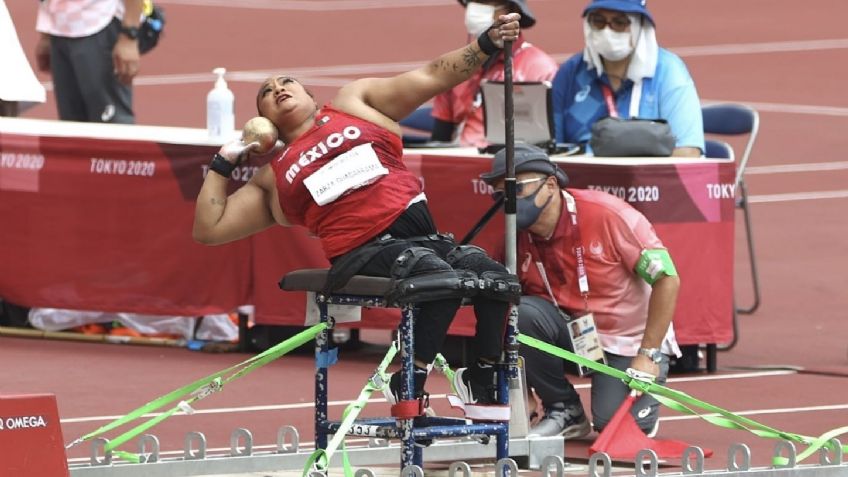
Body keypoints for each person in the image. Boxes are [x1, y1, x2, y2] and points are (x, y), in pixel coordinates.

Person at [193, 14, 524, 419]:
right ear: (264, 121)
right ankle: (408, 380)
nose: (278, 88)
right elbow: (209, 229)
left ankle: (483, 376)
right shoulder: (272, 178)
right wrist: (224, 162)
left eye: (287, 82)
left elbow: (433, 75)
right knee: (439, 280)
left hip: (424, 240)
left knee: (495, 278)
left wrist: (486, 44)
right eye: (266, 91)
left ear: (312, 97)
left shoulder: (355, 104)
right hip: (364, 252)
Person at [480, 143, 681, 438]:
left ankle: (648, 371)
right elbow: (501, 309)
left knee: (616, 430)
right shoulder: (514, 240)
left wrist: (648, 353)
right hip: (573, 336)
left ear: (551, 185)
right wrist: (520, 387)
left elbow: (667, 279)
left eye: (516, 189)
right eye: (500, 195)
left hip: (628, 341)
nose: (508, 201)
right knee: (520, 313)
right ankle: (564, 408)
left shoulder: (608, 215)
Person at [551, 0, 703, 156]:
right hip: (577, 171)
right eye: (598, 21)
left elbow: (688, 152)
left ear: (639, 25)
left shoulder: (668, 71)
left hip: (650, 171)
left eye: (619, 22)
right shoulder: (570, 73)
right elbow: (550, 147)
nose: (607, 31)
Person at [429, 0, 557, 148]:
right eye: (473, 1)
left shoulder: (540, 69)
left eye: (486, 1)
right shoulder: (456, 66)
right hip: (458, 156)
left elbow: (548, 143)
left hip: (511, 159)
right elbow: (440, 138)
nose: (476, 8)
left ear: (512, 10)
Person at [35, 0, 143, 123]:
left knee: (111, 123)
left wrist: (129, 35)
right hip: (60, 29)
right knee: (71, 124)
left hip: (100, 23)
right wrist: (46, 33)